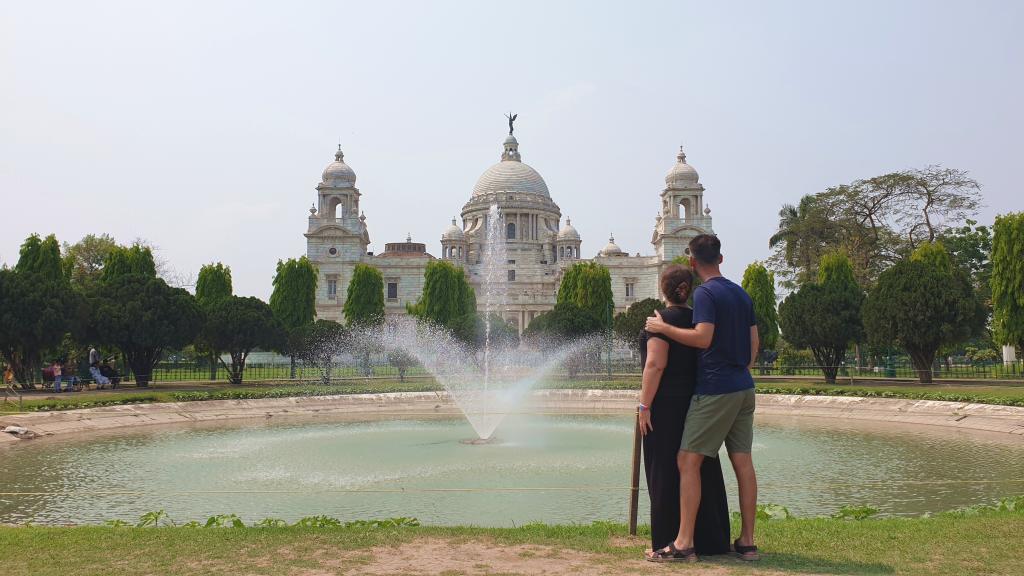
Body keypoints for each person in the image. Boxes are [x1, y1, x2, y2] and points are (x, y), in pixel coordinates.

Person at [645, 234, 760, 562]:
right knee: (743, 462)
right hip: (744, 386)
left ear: (693, 264)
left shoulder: (705, 293)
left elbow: (702, 338)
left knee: (687, 460)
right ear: (721, 259)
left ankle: (683, 543)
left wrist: (663, 328)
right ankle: (748, 542)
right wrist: (739, 369)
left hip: (716, 389)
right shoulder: (741, 293)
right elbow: (754, 346)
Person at [640, 265, 730, 561]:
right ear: (687, 290)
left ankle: (668, 539)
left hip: (665, 406)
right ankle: (711, 539)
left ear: (662, 289)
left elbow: (656, 364)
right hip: (699, 402)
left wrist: (644, 405)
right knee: (703, 468)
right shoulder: (699, 321)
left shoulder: (659, 322)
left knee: (664, 470)